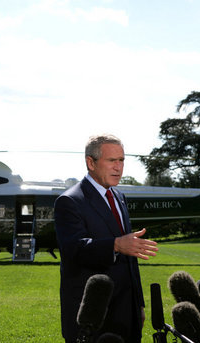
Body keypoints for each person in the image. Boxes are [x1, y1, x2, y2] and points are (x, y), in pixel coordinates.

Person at [54, 134, 159, 343]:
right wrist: (116, 245)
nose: (118, 167)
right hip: (93, 316)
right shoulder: (69, 201)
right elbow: (73, 250)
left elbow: (131, 257)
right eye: (111, 160)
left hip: (127, 313)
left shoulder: (119, 197)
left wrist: (138, 304)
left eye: (121, 160)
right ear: (90, 162)